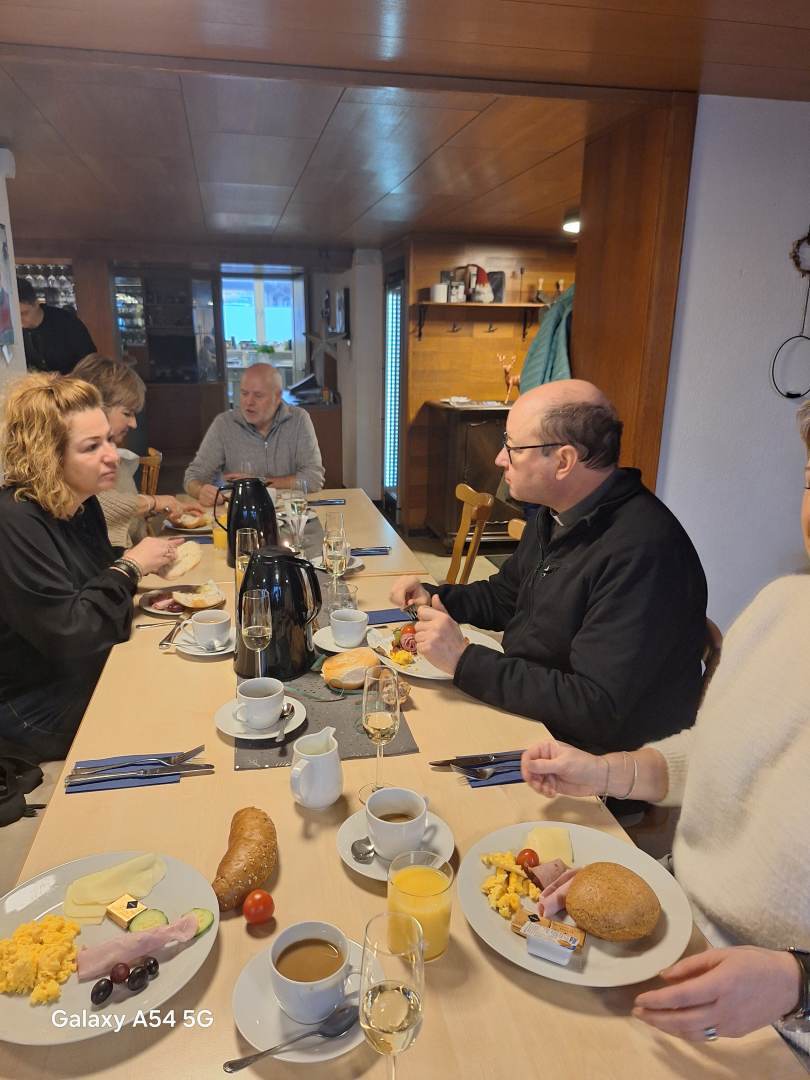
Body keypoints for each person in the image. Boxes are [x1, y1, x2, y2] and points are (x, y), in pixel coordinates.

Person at [519, 400, 810, 1053]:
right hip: (673, 922)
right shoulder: (784, 608)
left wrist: (796, 985)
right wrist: (608, 771)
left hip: (778, 1031)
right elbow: (719, 748)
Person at [390, 380, 708, 754]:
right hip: (536, 711)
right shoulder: (557, 514)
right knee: (397, 712)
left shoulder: (644, 552)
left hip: (593, 758)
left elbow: (595, 707)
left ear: (563, 461)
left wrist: (463, 660)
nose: (499, 459)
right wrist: (435, 597)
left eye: (512, 447)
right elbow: (506, 596)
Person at [0, 373, 185, 762]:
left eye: (109, 440)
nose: (113, 456)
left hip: (77, 670)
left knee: (179, 672)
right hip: (31, 705)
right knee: (167, 711)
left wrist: (136, 571)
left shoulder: (82, 504)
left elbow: (97, 587)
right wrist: (131, 566)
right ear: (48, 456)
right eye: (91, 447)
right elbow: (72, 633)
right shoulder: (15, 521)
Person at [73, 354, 203, 549]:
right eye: (127, 413)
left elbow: (128, 520)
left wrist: (163, 509)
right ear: (97, 407)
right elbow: (97, 506)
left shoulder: (116, 461)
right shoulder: (74, 466)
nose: (133, 424)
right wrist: (154, 502)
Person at [184, 363, 325, 506]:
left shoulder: (298, 420)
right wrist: (200, 491)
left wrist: (257, 483)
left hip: (288, 511)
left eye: (258, 395)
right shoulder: (224, 424)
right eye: (244, 393)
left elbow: (313, 479)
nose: (248, 402)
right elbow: (192, 477)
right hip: (241, 512)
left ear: (277, 397)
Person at [17, 277, 97, 374]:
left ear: (36, 303)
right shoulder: (15, 332)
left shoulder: (67, 323)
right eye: (14, 315)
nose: (19, 319)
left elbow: (91, 362)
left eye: (24, 313)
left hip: (73, 381)